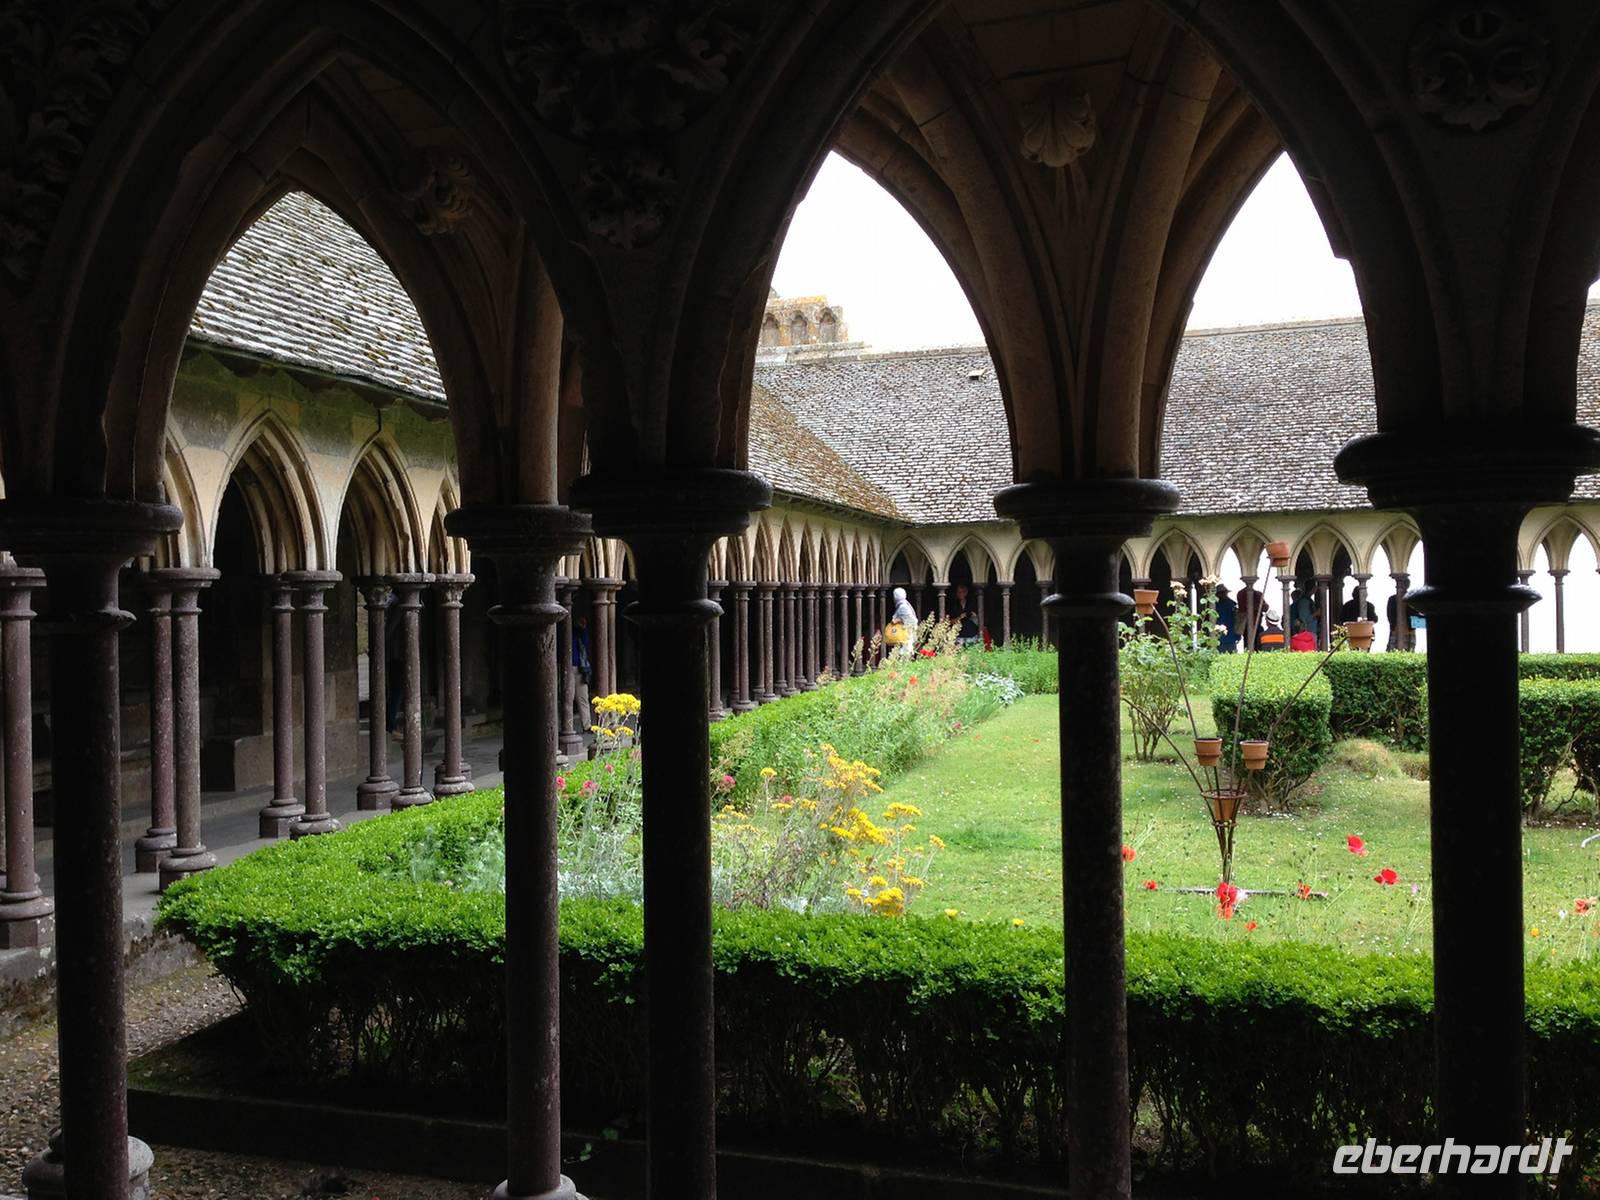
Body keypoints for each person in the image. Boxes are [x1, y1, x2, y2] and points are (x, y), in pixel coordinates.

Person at [571, 612, 593, 724]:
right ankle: (567, 726)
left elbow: (586, 644)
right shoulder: (566, 633)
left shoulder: (580, 633)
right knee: (568, 697)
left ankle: (587, 724)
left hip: (579, 668)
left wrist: (584, 629)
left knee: (583, 696)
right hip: (568, 667)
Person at [887, 585, 918, 657]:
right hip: (905, 636)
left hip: (905, 635)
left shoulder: (903, 607)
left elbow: (913, 621)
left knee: (904, 655)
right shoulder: (903, 605)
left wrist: (897, 620)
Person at [949, 582, 980, 646]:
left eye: (963, 592)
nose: (961, 594)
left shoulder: (971, 603)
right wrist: (960, 617)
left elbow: (980, 618)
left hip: (972, 634)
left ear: (966, 592)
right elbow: (948, 622)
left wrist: (975, 616)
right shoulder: (953, 605)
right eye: (959, 592)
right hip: (959, 636)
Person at [1235, 583, 1263, 649]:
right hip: (1252, 623)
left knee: (1248, 643)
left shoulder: (1240, 593)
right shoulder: (1257, 594)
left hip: (1247, 623)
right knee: (1255, 644)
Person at [1213, 584, 1239, 653]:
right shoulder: (1231, 604)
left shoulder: (1214, 605)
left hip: (1222, 637)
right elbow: (1236, 620)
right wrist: (1237, 635)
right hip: (1229, 637)